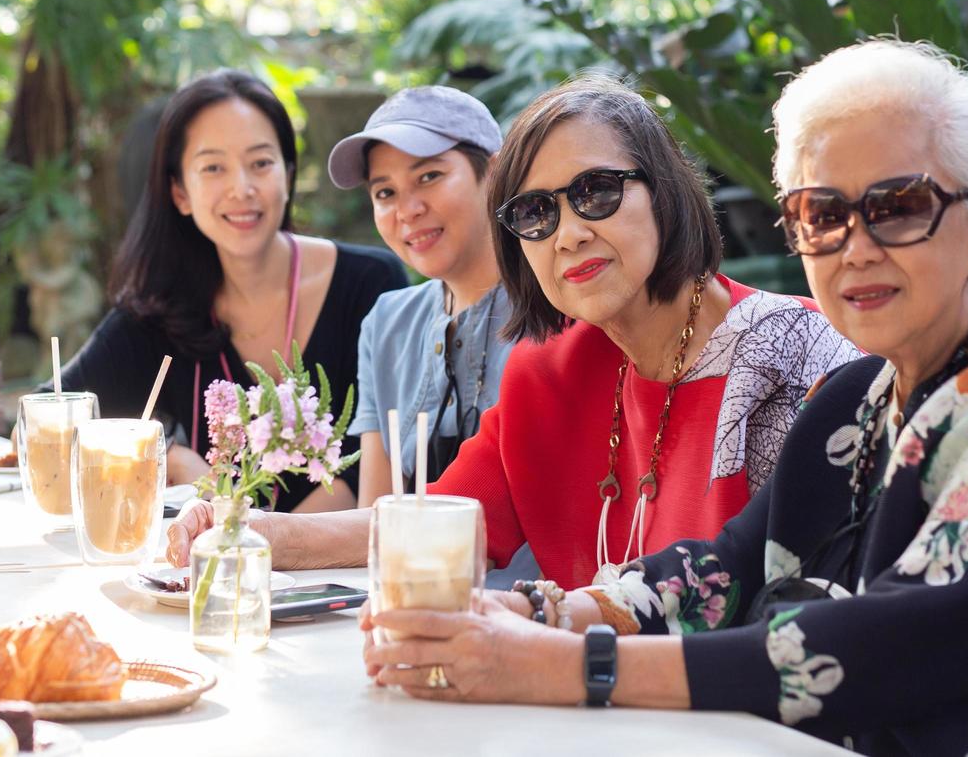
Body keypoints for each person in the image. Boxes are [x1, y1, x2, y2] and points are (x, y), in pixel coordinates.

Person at [361, 41, 968, 757]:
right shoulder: (857, 397)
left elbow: (873, 653)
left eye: (901, 206)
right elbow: (728, 569)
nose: (857, 247)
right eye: (822, 214)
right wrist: (540, 609)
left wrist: (562, 664)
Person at [168, 74, 859, 586]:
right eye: (536, 213)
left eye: (596, 191)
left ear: (666, 187)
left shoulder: (795, 357)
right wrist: (250, 529)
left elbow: (805, 618)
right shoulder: (546, 372)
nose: (569, 233)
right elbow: (430, 522)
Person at [46, 70, 407, 512]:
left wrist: (260, 538)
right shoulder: (159, 309)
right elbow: (47, 418)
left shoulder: (369, 284)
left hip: (343, 576)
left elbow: (380, 472)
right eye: (213, 167)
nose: (242, 188)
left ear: (288, 175)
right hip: (212, 576)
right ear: (180, 191)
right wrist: (164, 454)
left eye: (261, 163)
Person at [326, 86, 514, 504]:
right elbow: (374, 517)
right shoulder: (386, 323)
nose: (406, 210)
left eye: (429, 176)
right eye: (384, 193)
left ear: (496, 173)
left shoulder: (560, 307)